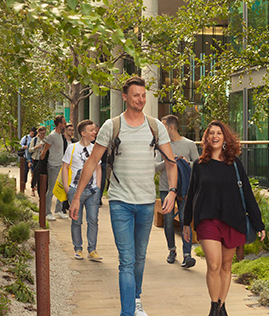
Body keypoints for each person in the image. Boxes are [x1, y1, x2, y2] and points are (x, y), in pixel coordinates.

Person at [69, 76, 178, 316]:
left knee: (140, 257)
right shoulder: (112, 125)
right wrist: (77, 197)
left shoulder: (155, 126)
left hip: (147, 203)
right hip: (120, 203)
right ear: (125, 97)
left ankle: (136, 299)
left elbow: (171, 163)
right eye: (136, 95)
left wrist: (172, 191)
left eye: (143, 95)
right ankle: (127, 312)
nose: (140, 99)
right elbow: (91, 162)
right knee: (126, 260)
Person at [183, 120, 266, 316]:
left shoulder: (235, 164)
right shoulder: (199, 165)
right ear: (206, 138)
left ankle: (222, 305)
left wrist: (258, 223)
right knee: (214, 264)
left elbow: (247, 193)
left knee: (226, 266)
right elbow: (191, 193)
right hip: (208, 221)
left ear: (225, 138)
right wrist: (186, 223)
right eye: (211, 133)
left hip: (233, 220)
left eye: (218, 133)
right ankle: (214, 308)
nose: (214, 136)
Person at [155, 114, 199, 268]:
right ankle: (171, 250)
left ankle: (187, 255)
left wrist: (187, 162)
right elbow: (154, 167)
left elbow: (198, 164)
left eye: (163, 126)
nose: (160, 129)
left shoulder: (189, 144)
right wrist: (167, 159)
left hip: (185, 189)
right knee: (168, 222)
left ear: (171, 127)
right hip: (166, 188)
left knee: (184, 220)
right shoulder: (160, 145)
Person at [62, 119, 102, 261]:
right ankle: (78, 248)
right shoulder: (72, 148)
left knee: (93, 220)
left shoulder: (96, 148)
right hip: (75, 189)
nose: (94, 132)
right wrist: (67, 187)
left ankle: (92, 250)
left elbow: (98, 167)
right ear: (83, 133)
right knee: (76, 221)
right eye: (91, 130)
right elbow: (65, 167)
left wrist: (98, 186)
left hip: (92, 191)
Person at [40, 115, 68, 221]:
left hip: (61, 165)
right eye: (64, 123)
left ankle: (58, 210)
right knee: (51, 189)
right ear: (59, 124)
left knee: (61, 188)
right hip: (53, 165)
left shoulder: (60, 135)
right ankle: (47, 212)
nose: (65, 125)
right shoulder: (52, 136)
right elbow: (45, 150)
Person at [28, 126, 47, 197]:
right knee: (35, 175)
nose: (43, 135)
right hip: (35, 159)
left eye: (44, 133)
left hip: (43, 159)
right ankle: (33, 189)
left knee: (42, 176)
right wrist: (37, 147)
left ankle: (41, 192)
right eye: (42, 133)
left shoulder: (46, 139)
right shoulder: (34, 140)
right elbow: (30, 150)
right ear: (38, 133)